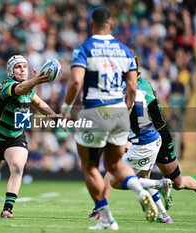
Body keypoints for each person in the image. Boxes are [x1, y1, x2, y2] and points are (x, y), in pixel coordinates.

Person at [61, 8, 157, 230]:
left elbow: (76, 82)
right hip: (119, 113)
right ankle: (140, 190)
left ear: (92, 26)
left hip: (95, 111)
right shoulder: (125, 50)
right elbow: (132, 86)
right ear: (111, 26)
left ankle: (107, 218)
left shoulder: (84, 48)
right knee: (114, 164)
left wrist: (65, 110)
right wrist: (125, 110)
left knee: (89, 166)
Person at [0, 55, 58, 218]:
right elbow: (20, 89)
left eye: (24, 66)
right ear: (11, 71)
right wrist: (35, 81)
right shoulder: (7, 86)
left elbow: (40, 104)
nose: (22, 69)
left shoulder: (29, 90)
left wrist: (55, 116)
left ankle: (7, 209)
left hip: (15, 138)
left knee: (17, 166)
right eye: (18, 67)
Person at [136, 65, 196, 214]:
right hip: (141, 138)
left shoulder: (141, 86)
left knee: (178, 183)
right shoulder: (126, 85)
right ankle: (161, 212)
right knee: (135, 177)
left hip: (158, 136)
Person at [97, 82, 173, 224]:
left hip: (143, 145)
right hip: (154, 139)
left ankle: (160, 184)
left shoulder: (122, 97)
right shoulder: (136, 90)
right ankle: (163, 215)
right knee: (144, 179)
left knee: (115, 180)